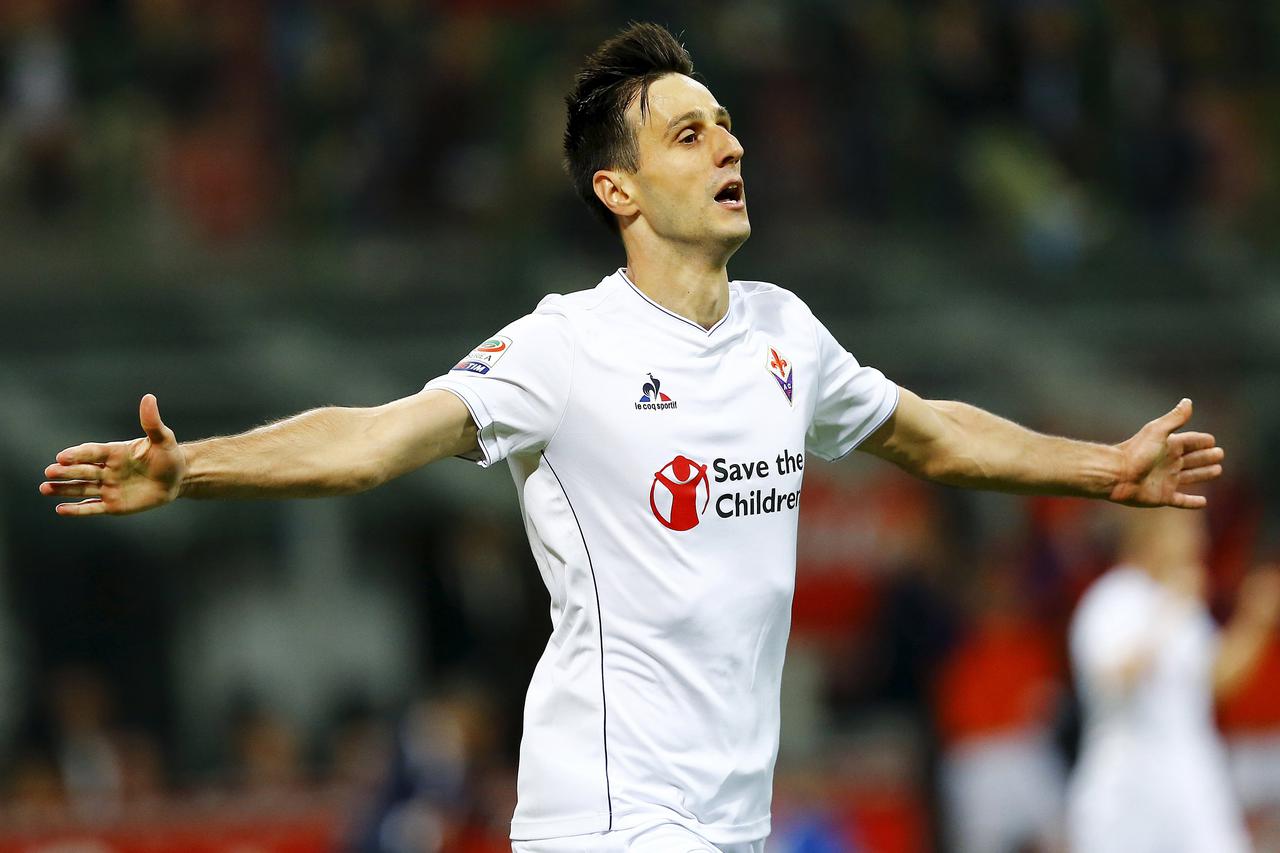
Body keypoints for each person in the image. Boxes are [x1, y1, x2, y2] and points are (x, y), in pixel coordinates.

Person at [40, 23, 1226, 853]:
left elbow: (929, 435)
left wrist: (1098, 468)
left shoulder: (783, 334)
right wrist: (193, 466)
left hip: (728, 814)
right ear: (618, 190)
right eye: (689, 135)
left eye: (725, 126)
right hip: (606, 818)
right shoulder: (564, 349)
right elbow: (369, 439)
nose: (730, 148)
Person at [1067, 509, 1280, 853]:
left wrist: (1254, 619)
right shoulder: (1110, 599)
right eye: (1187, 530)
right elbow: (1115, 676)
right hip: (1127, 784)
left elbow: (1215, 680)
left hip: (1191, 772)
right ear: (1151, 534)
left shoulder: (1181, 603)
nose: (1199, 541)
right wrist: (1170, 611)